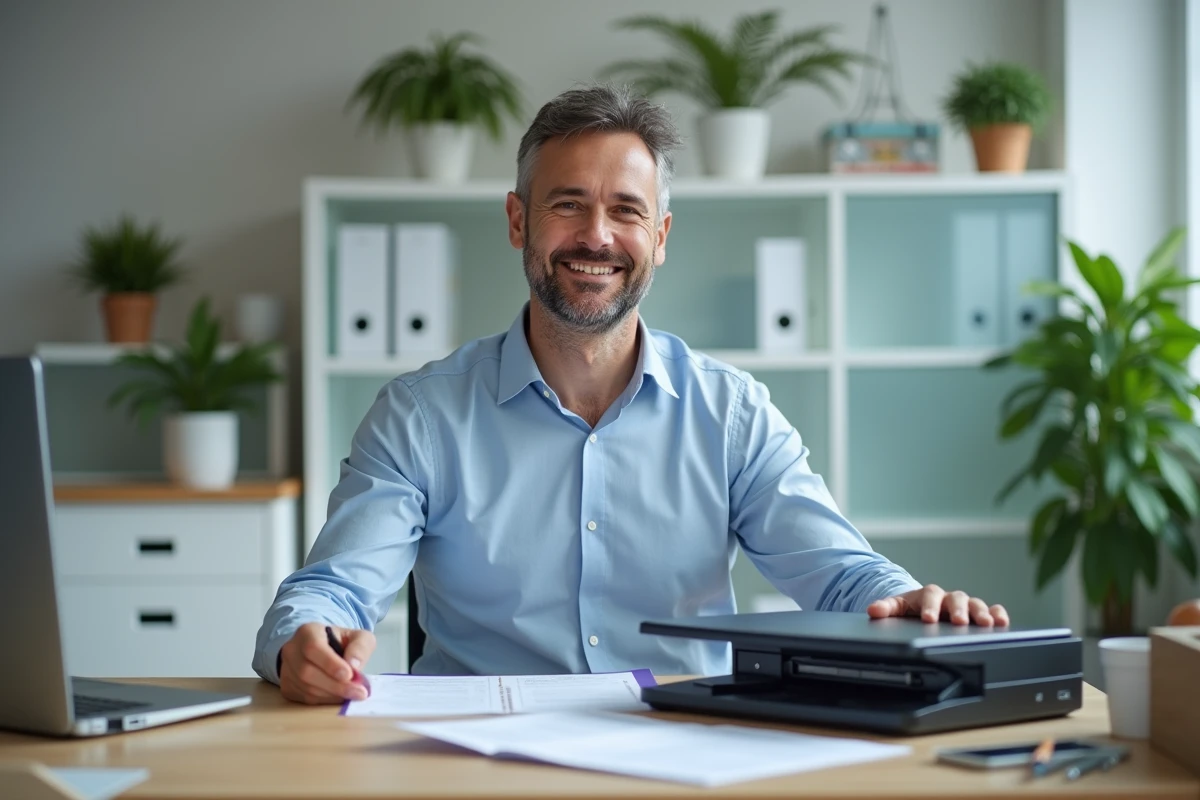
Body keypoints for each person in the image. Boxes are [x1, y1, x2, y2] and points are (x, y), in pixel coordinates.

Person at [253, 84, 1009, 705]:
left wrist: (905, 600)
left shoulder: (731, 413)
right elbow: (331, 589)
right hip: (475, 758)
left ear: (662, 236)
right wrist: (304, 643)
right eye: (567, 204)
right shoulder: (421, 415)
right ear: (518, 221)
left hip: (685, 750)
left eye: (626, 210)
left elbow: (841, 574)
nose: (598, 236)